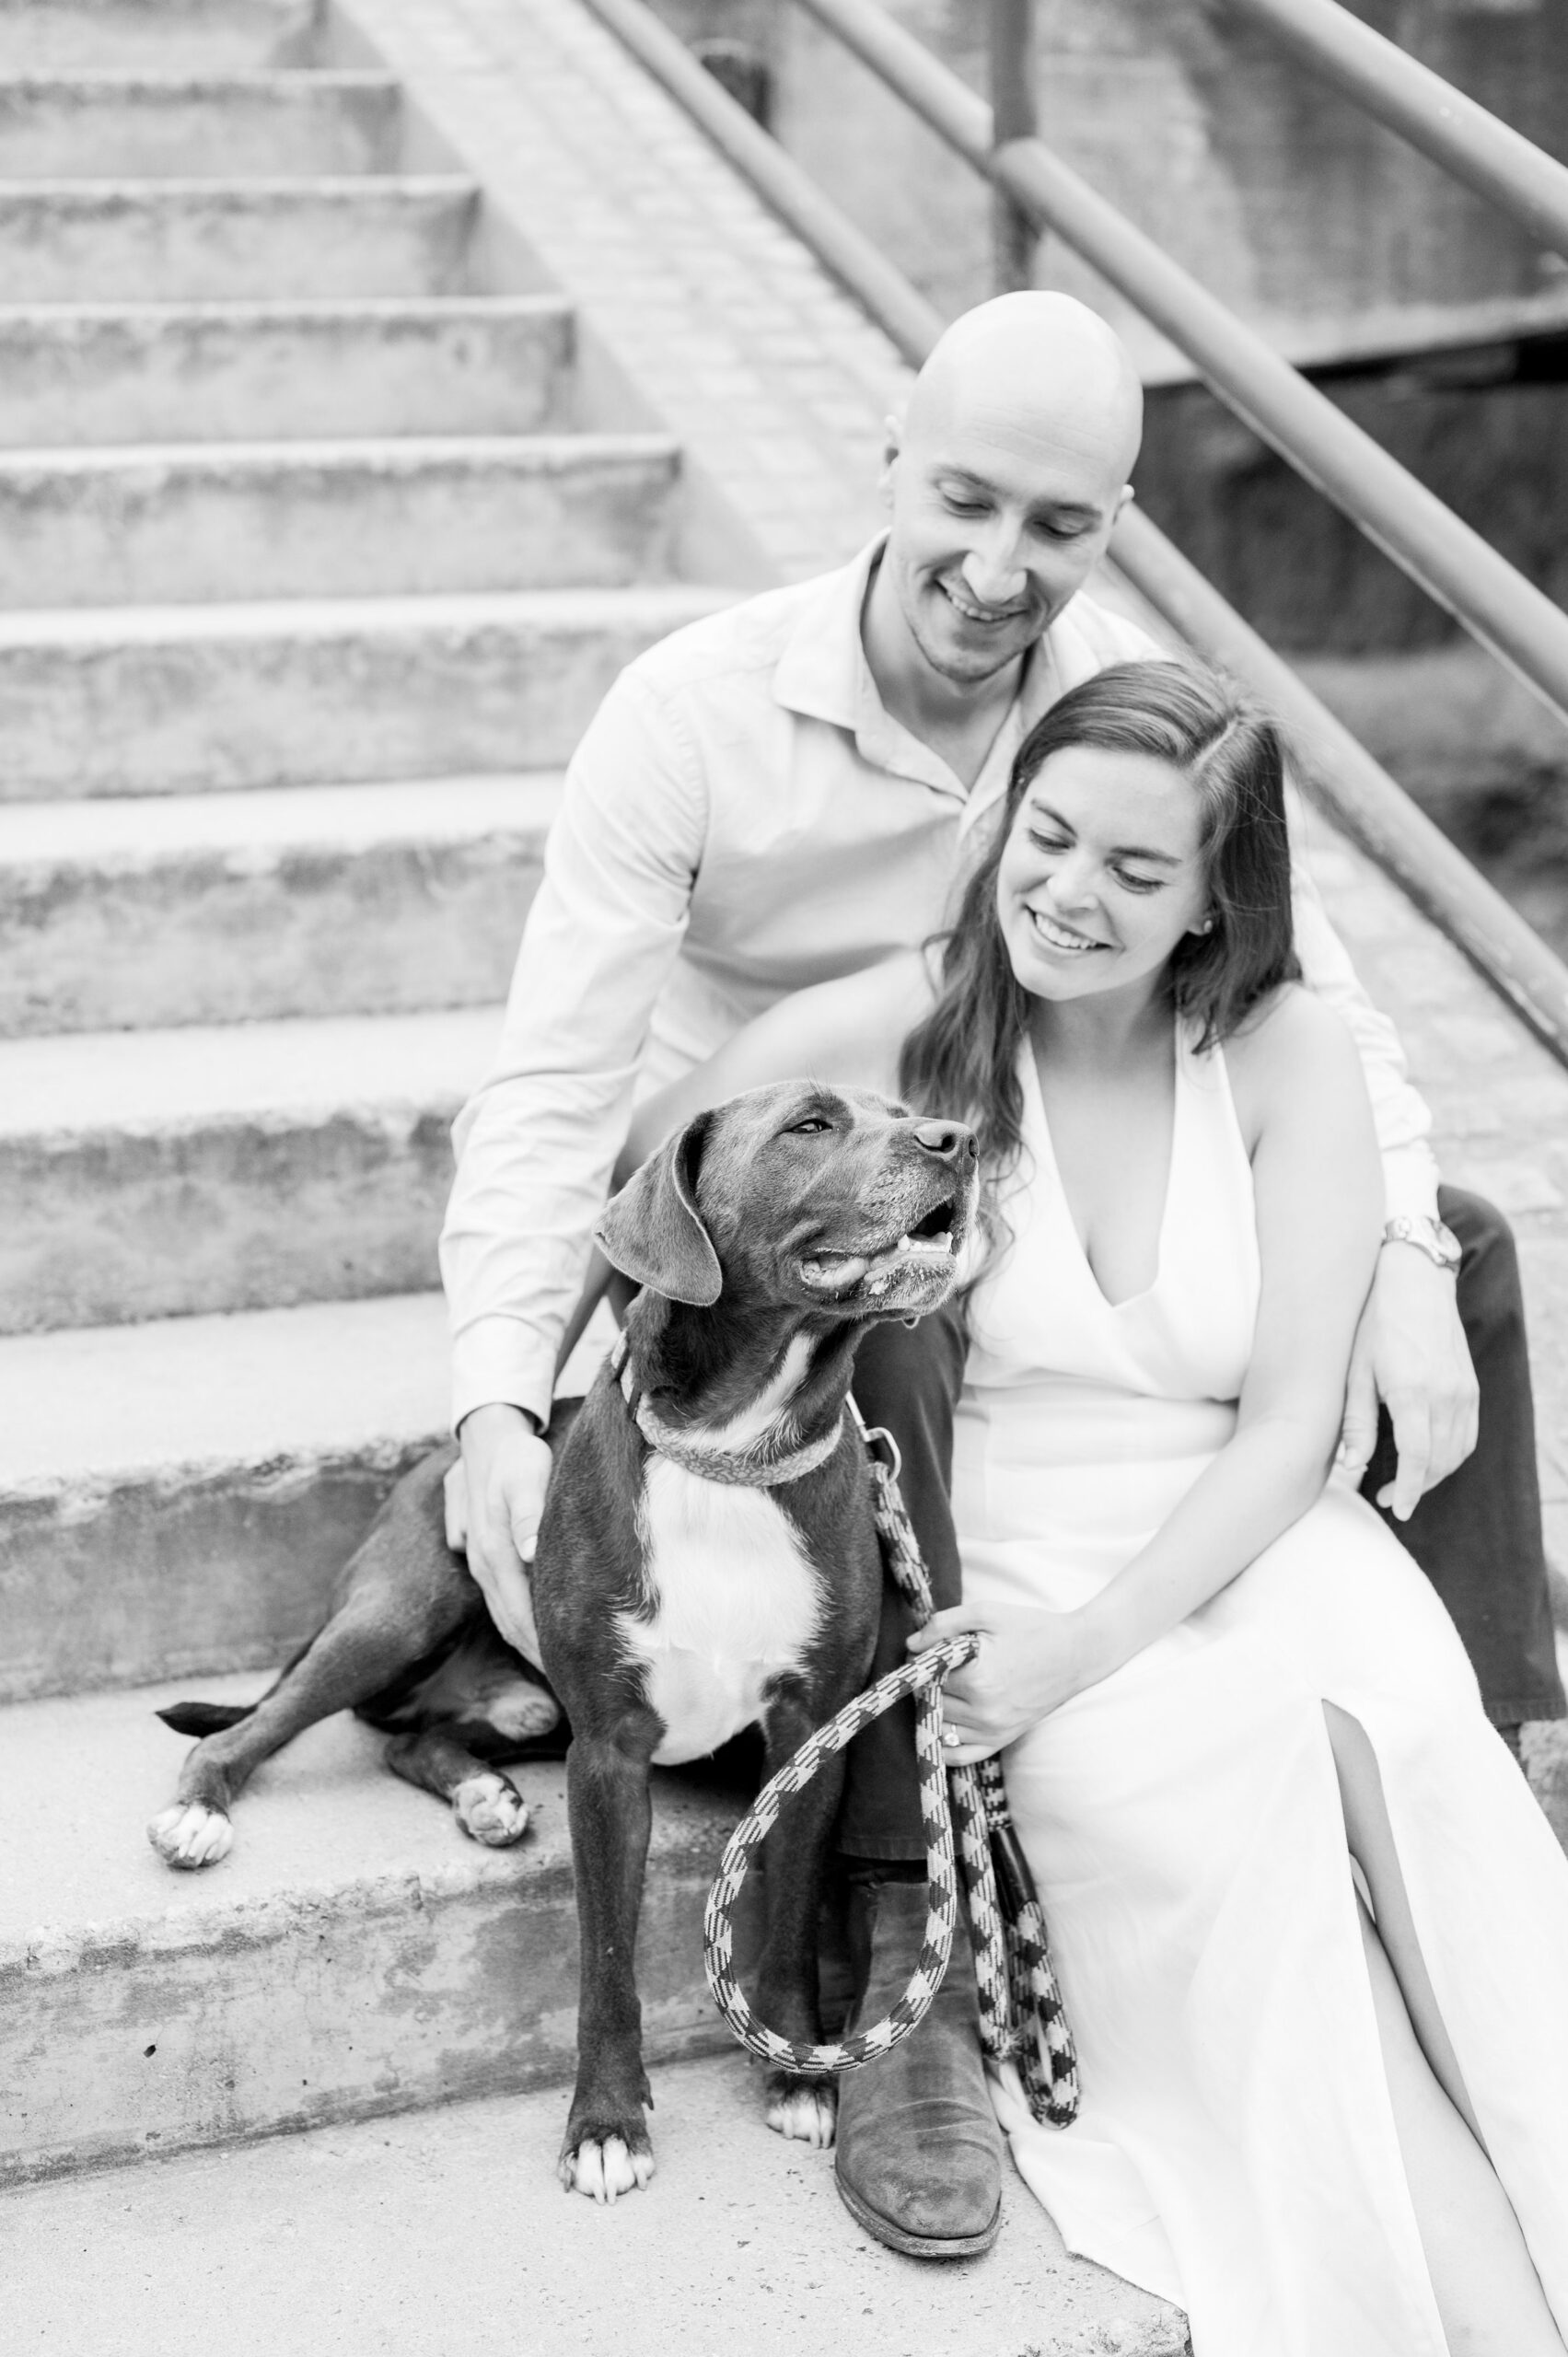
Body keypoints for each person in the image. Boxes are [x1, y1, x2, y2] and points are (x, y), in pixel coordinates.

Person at [438, 290, 1563, 2254]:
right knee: (906, 1311)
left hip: (1039, 1099)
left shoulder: (1115, 693)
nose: (1000, 566)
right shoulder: (692, 714)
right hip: (783, 1203)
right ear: (888, 457)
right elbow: (564, 1091)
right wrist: (494, 1382)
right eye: (966, 498)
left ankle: (1492, 1717)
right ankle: (904, 1924)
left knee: (1457, 1247)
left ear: (1115, 525)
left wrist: (1390, 1239)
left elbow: (1327, 1010)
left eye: (1059, 524)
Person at [611, 660, 1568, 2355]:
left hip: (1257, 1529)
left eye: (1137, 872)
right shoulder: (890, 1035)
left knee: (1394, 1734)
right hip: (1022, 1557)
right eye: (1048, 839)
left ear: (1219, 899)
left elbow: (1288, 1430)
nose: (1069, 893)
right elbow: (656, 1208)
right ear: (1003, 827)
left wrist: (1090, 1647)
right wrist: (515, 1425)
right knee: (1263, 1839)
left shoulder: (1286, 1054)